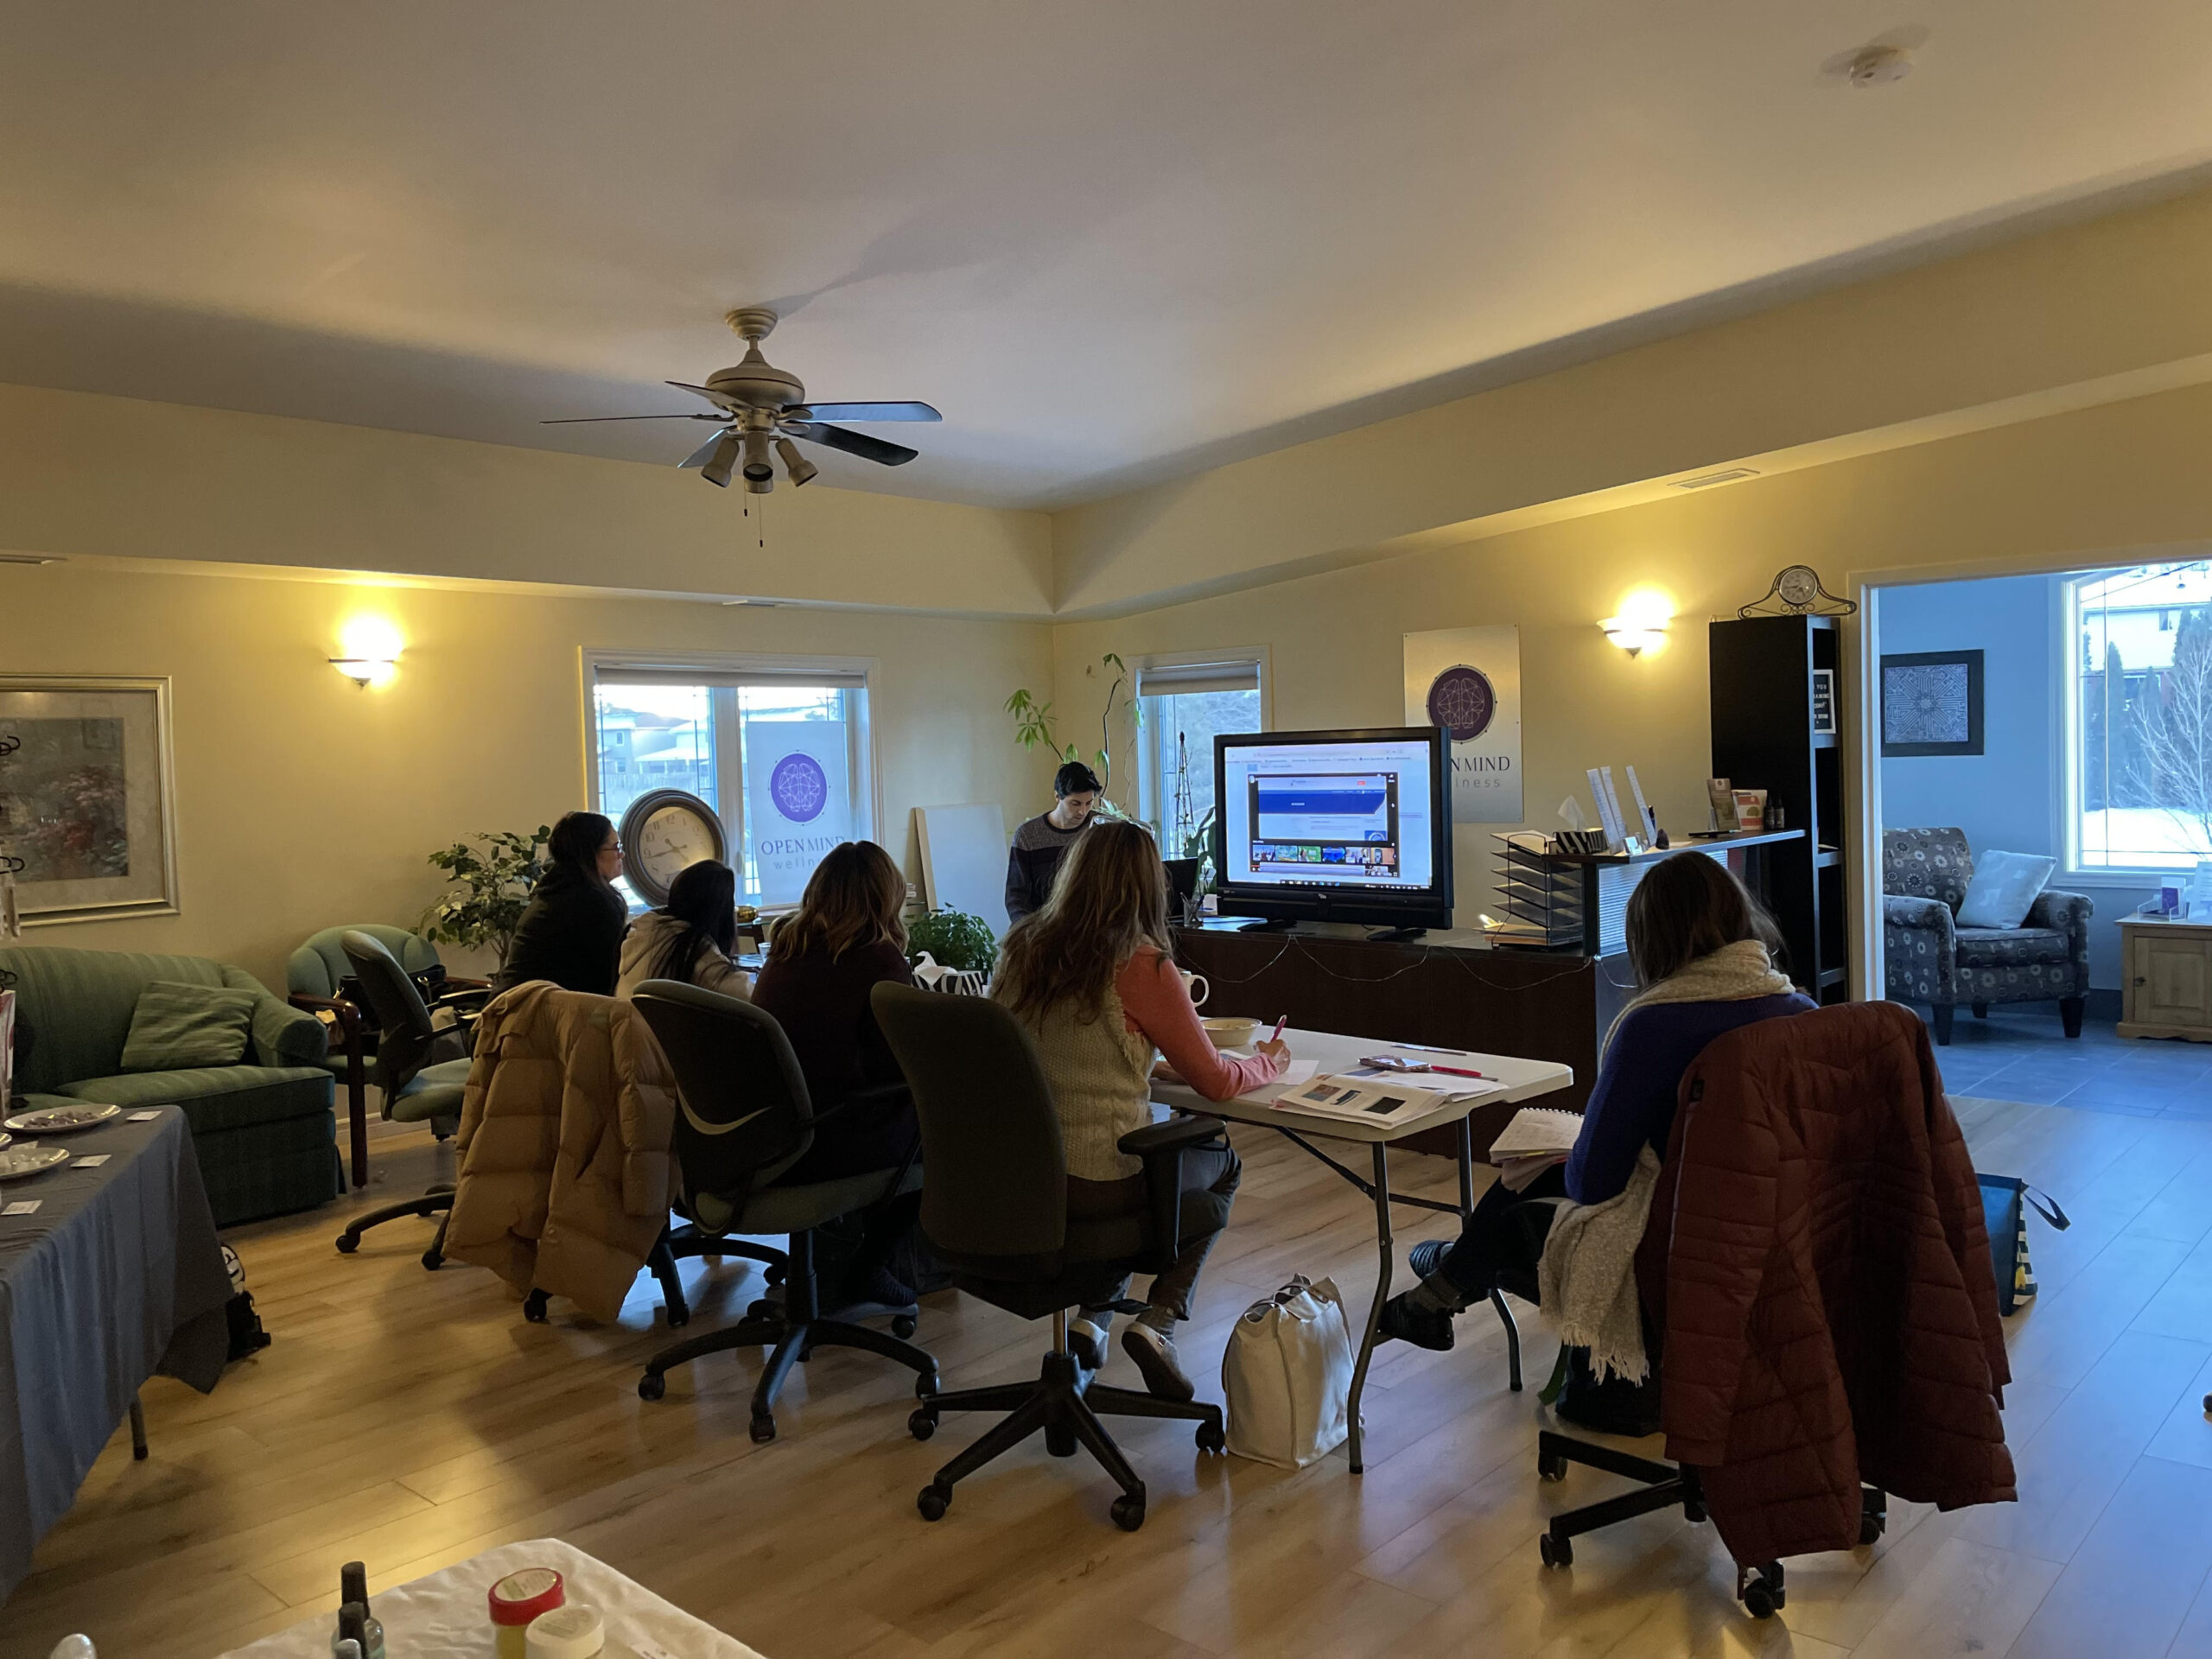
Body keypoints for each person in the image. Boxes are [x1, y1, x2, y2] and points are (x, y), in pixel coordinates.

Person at [1378, 850, 1815, 1351]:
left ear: (1652, 938)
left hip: (1675, 1223)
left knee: (1515, 1194)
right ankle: (1441, 1286)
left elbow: (1594, 1183)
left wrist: (1576, 1148)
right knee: (1528, 1181)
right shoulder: (1798, 1009)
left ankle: (1444, 1280)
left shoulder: (1652, 1027)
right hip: (1771, 1213)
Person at [992, 816, 1289, 1400]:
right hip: (1095, 1181)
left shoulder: (1020, 949)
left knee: (1151, 1167)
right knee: (1216, 1159)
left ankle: (1091, 1322)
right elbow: (1218, 1084)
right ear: (1149, 887)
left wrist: (1145, 1063)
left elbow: (1053, 1055)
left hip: (1018, 1179)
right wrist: (1269, 1064)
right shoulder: (1143, 964)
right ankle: (1158, 1322)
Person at [750, 841, 922, 1306]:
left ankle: (838, 1263)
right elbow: (898, 1069)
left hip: (771, 1137)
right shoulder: (877, 959)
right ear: (885, 896)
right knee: (942, 1132)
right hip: (825, 1137)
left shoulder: (786, 947)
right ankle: (866, 1271)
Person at [495, 811, 629, 997]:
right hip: (536, 1015)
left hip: (512, 1008)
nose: (622, 854)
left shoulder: (553, 891)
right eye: (616, 847)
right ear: (590, 853)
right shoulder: (591, 903)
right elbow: (605, 981)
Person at [616, 858, 753, 1001]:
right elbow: (750, 997)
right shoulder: (692, 949)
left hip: (632, 1022)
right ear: (719, 912)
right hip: (657, 1023)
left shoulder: (646, 932)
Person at [1003, 760, 1102, 925]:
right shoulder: (1028, 835)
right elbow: (1016, 895)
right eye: (1075, 803)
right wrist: (1026, 930)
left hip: (1092, 927)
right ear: (1058, 796)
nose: (1083, 811)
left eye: (1089, 803)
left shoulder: (1099, 828)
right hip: (1043, 928)